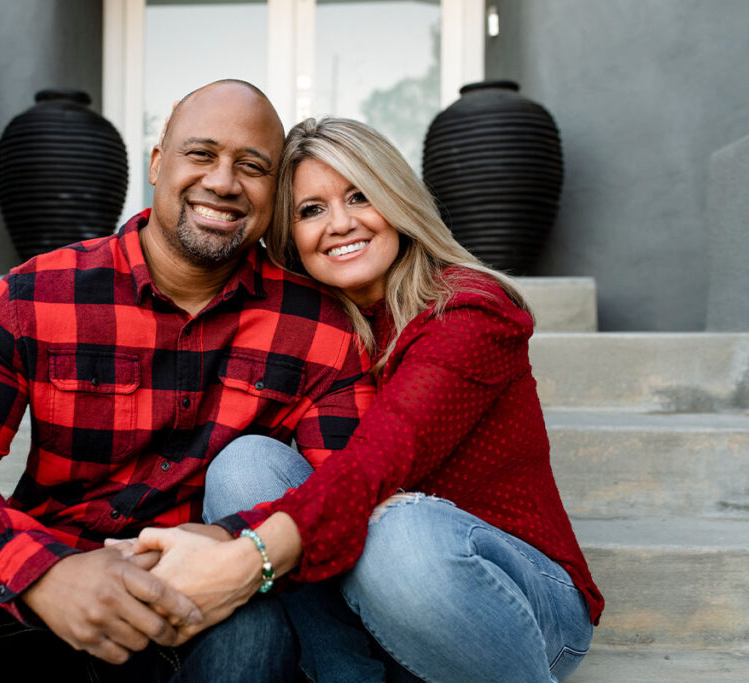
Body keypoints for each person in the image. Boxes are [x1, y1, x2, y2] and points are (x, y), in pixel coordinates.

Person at [0, 83, 376, 682]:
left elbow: (349, 488)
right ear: (158, 164)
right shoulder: (37, 292)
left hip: (190, 596)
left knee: (258, 637)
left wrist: (225, 539)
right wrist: (41, 571)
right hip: (39, 575)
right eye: (201, 154)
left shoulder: (318, 325)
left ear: (274, 192)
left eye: (252, 166)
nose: (223, 181)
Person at [132, 117, 605, 682]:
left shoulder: (469, 311)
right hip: (377, 601)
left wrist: (235, 543)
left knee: (398, 531)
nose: (339, 224)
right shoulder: (318, 326)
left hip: (514, 597)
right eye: (311, 210)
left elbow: (379, 460)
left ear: (396, 200)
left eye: (360, 196)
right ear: (290, 236)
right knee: (246, 464)